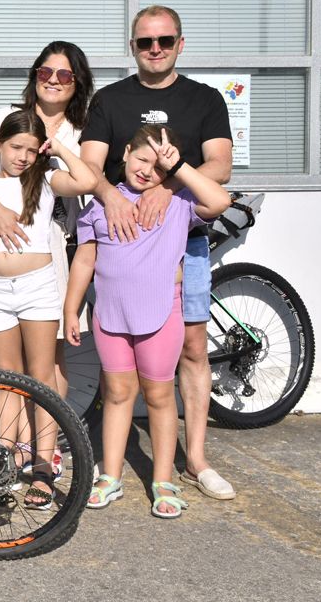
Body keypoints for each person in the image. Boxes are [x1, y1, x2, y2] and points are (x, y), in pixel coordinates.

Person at [79, 5, 236, 501]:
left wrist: (170, 187)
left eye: (165, 41)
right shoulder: (110, 99)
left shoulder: (204, 98)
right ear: (133, 47)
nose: (155, 49)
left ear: (180, 44)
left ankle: (195, 461)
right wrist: (109, 197)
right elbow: (90, 167)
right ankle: (119, 471)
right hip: (126, 234)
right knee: (124, 368)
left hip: (180, 236)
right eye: (146, 41)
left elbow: (221, 166)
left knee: (192, 346)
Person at [66, 125, 230, 518]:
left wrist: (179, 171)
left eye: (158, 167)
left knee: (159, 397)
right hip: (111, 315)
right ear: (125, 152)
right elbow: (85, 260)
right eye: (142, 159)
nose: (147, 171)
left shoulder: (178, 203)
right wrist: (71, 308)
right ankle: (110, 475)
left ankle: (163, 480)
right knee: (118, 395)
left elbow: (220, 200)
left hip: (160, 314)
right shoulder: (98, 206)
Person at [0, 41, 94, 400]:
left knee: (52, 359)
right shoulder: (7, 116)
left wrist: (59, 148)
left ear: (77, 82)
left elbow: (89, 180)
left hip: (57, 248)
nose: (53, 80)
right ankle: (15, 450)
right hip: (2, 243)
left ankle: (49, 451)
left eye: (64, 74)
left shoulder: (82, 130)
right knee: (9, 369)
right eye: (45, 72)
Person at [0, 110, 97, 508]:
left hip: (37, 287)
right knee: (6, 379)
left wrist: (58, 147)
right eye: (15, 147)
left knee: (41, 379)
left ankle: (44, 468)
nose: (23, 157)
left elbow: (88, 180)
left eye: (31, 149)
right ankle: (7, 462)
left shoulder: (46, 179)